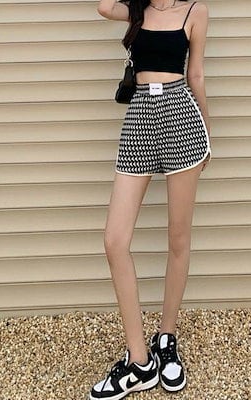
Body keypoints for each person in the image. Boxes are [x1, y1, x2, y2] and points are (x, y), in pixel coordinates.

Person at [90, 0, 211, 398]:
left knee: (178, 239)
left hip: (182, 119)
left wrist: (207, 135)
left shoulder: (196, 11)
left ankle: (166, 338)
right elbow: (103, 7)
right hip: (140, 115)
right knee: (114, 240)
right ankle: (140, 361)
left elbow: (196, 75)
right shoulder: (137, 10)